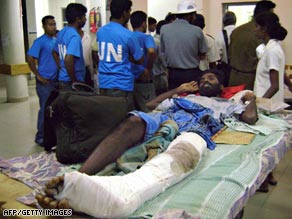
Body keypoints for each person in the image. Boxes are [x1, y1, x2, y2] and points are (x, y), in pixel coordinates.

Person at [36, 69, 258, 218]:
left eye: (211, 78)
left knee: (186, 150)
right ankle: (80, 179)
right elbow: (151, 105)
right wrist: (177, 91)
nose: (204, 81)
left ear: (221, 86)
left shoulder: (224, 103)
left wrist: (251, 99)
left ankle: (121, 194)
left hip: (195, 126)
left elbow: (250, 119)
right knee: (133, 121)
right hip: (167, 118)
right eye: (202, 79)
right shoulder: (183, 98)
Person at [254, 12, 288, 193]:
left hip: (267, 104)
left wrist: (258, 102)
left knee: (263, 144)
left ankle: (264, 181)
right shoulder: (273, 48)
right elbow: (282, 77)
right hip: (270, 102)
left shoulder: (272, 51)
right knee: (269, 142)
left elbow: (274, 84)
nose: (255, 30)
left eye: (257, 26)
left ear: (264, 28)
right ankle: (270, 176)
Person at [96, 0, 144, 111]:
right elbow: (140, 59)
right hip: (121, 85)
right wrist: (128, 57)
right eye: (129, 11)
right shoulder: (128, 35)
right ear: (124, 13)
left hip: (103, 83)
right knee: (123, 121)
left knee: (107, 118)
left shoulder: (101, 31)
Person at [228, 0, 276, 90]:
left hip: (233, 77)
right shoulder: (262, 34)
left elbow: (229, 55)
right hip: (252, 80)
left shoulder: (236, 31)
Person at [160, 0, 207, 89]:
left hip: (172, 74)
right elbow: (202, 55)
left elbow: (163, 52)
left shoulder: (164, 29)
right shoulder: (197, 30)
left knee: (174, 100)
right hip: (192, 74)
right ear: (189, 15)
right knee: (191, 100)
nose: (194, 18)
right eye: (194, 15)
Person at [26, 15, 58, 146]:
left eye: (54, 24)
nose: (53, 26)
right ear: (44, 26)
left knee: (55, 109)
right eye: (50, 24)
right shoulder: (40, 41)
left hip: (57, 81)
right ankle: (40, 137)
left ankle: (52, 136)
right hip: (45, 82)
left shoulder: (56, 40)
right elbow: (29, 57)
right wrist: (38, 75)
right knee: (44, 109)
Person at [52, 3, 87, 90]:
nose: (86, 19)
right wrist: (75, 81)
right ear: (78, 19)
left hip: (63, 79)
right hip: (71, 82)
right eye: (84, 16)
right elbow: (68, 59)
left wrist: (61, 67)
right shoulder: (74, 36)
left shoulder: (62, 32)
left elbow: (54, 52)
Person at [130, 11, 157, 112]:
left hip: (129, 82)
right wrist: (148, 68)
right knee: (149, 113)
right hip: (144, 81)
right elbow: (151, 51)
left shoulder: (128, 36)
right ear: (143, 23)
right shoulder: (147, 37)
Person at [152, 20, 168, 95]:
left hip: (151, 76)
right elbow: (164, 62)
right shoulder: (160, 42)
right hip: (159, 77)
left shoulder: (151, 39)